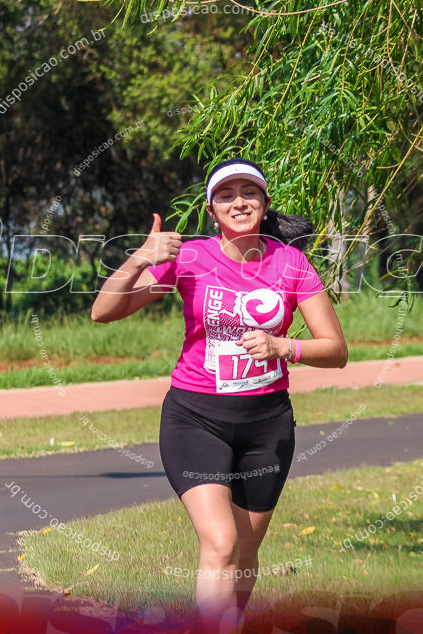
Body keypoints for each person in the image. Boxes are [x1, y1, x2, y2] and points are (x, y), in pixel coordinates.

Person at [91, 158, 348, 631]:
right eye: (227, 195)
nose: (239, 202)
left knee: (246, 552)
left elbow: (335, 350)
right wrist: (141, 257)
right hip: (195, 418)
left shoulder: (291, 263)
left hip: (266, 425)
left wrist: (282, 346)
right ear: (212, 210)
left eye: (249, 192)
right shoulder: (189, 259)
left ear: (265, 203)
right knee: (222, 543)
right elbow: (103, 312)